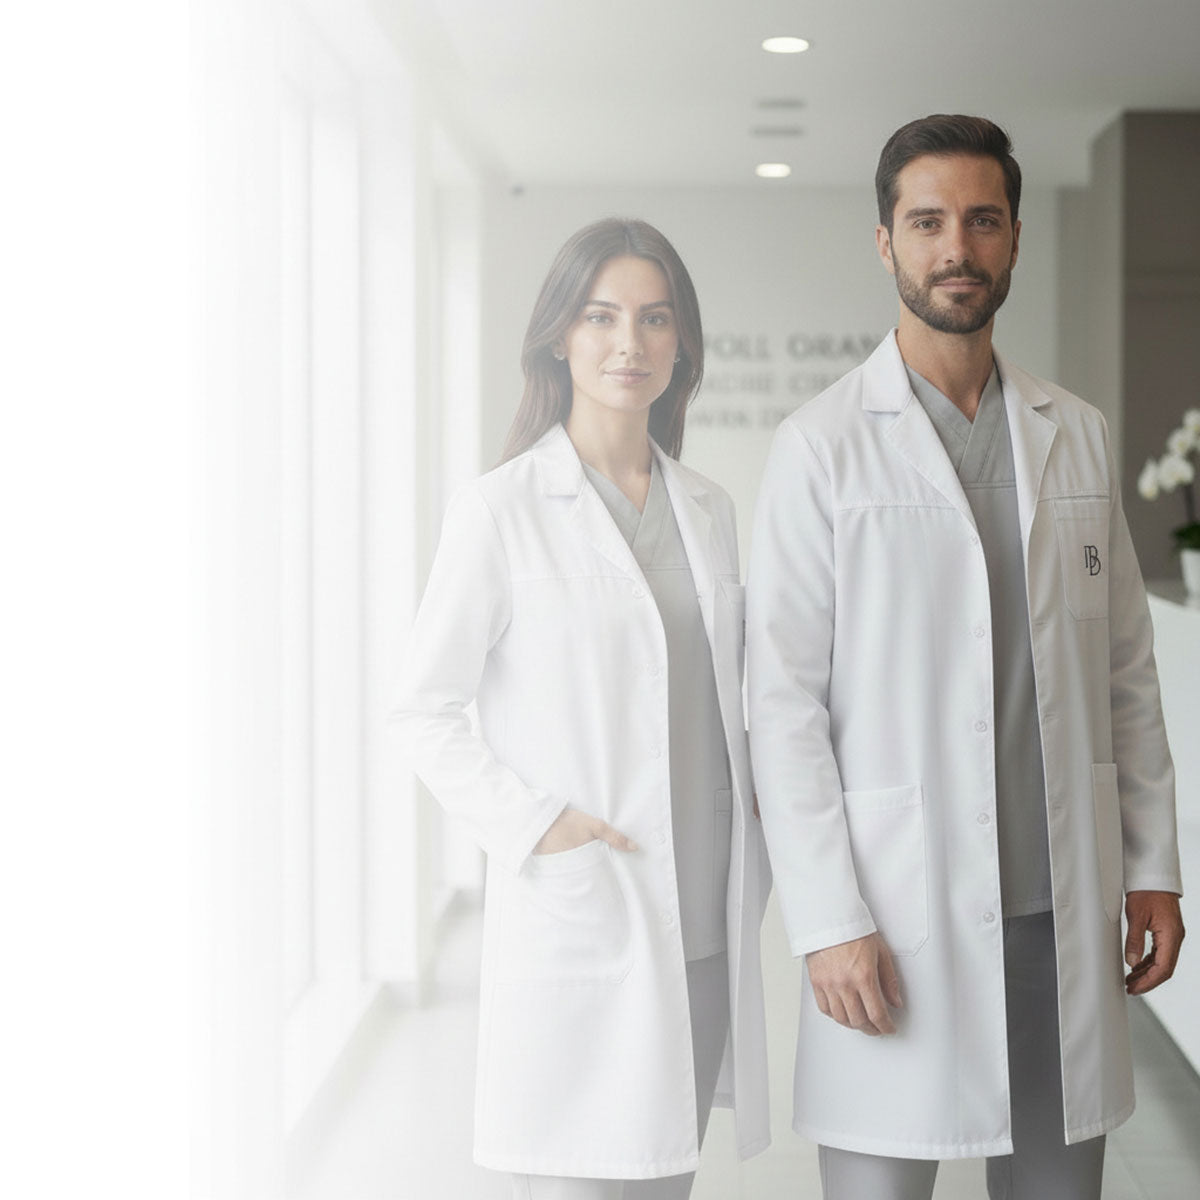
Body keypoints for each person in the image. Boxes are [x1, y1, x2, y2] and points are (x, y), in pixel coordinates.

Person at [746, 114, 1184, 1200]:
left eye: (982, 221)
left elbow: (1126, 669)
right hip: (898, 916)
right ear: (886, 243)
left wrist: (1152, 866)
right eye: (929, 221)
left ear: (1016, 240)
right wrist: (830, 921)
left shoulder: (1070, 429)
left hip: (1058, 911)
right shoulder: (822, 445)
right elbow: (783, 705)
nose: (958, 248)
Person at [392, 218, 771, 1199]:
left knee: (666, 1183)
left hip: (700, 923)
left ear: (680, 344)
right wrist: (538, 827)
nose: (627, 343)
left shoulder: (710, 510)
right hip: (586, 910)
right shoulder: (502, 510)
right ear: (560, 336)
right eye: (601, 317)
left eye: (654, 319)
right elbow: (423, 709)